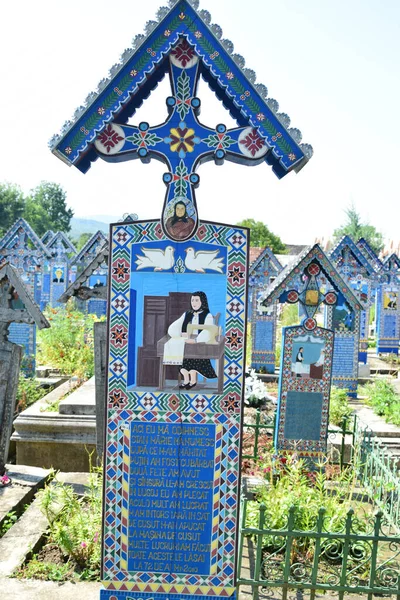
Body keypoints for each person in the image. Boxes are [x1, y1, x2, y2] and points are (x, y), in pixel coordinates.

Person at [163, 291, 217, 390]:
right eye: (192, 300)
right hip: (187, 343)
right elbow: (175, 326)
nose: (194, 303)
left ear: (202, 301)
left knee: (193, 359)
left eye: (196, 300)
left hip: (200, 344)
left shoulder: (207, 315)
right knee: (182, 358)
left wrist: (196, 340)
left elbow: (208, 330)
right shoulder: (187, 314)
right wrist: (179, 335)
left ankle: (193, 381)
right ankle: (186, 380)